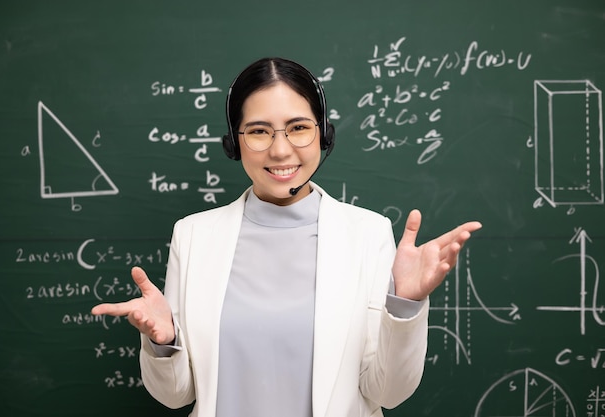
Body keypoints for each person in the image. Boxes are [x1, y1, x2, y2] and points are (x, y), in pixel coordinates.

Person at [91, 57, 482, 417]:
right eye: (259, 132)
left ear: (323, 134)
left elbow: (387, 393)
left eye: (298, 128)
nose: (280, 151)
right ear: (234, 141)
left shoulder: (368, 233)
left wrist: (404, 307)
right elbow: (176, 395)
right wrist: (164, 342)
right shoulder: (193, 236)